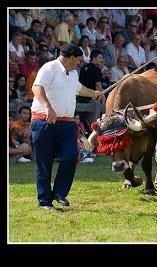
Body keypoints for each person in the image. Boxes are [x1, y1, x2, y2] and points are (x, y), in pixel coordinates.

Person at [30, 44, 103, 210]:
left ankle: (59, 192)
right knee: (44, 161)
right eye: (78, 59)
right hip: (44, 121)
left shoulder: (74, 73)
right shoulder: (49, 68)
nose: (79, 63)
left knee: (71, 155)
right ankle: (44, 202)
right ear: (71, 58)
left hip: (67, 123)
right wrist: (48, 108)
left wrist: (94, 93)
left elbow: (78, 88)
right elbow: (37, 88)